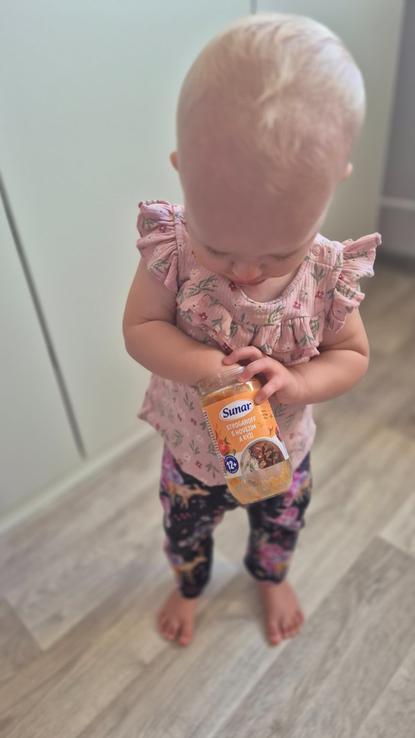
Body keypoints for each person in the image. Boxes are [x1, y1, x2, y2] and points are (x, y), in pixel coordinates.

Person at [123, 13, 381, 647]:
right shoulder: (172, 249)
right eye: (219, 247)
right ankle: (189, 586)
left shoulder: (326, 272)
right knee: (184, 531)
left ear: (331, 188)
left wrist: (298, 382)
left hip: (281, 451)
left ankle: (271, 577)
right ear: (181, 172)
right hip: (193, 453)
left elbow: (352, 355)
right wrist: (201, 365)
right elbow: (140, 327)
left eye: (277, 254)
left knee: (281, 525)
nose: (244, 273)